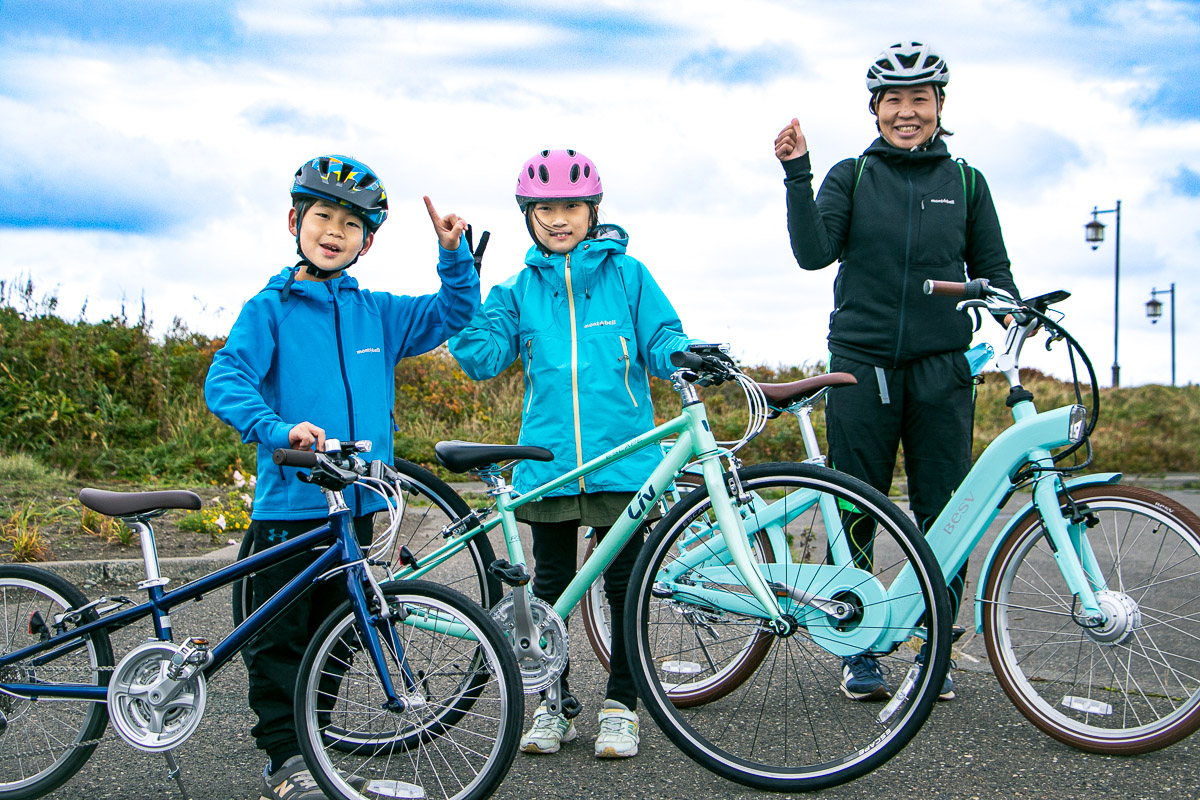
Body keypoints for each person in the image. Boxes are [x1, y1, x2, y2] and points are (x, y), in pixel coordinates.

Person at [205, 154, 480, 800]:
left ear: (368, 242)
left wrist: (454, 255)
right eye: (323, 215)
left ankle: (312, 746)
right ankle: (285, 760)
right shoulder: (269, 309)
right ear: (295, 220)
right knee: (279, 646)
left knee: (339, 637)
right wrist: (280, 430)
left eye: (351, 225)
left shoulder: (377, 314)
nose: (334, 231)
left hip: (355, 511)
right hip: (289, 513)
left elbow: (452, 313)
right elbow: (227, 380)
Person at [774, 42, 1020, 703]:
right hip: (861, 368)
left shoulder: (966, 183)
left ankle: (930, 645)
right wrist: (799, 173)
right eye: (894, 101)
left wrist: (1014, 312)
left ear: (940, 105)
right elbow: (812, 253)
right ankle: (856, 643)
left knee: (949, 513)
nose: (907, 113)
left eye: (920, 100)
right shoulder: (852, 176)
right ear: (875, 108)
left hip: (943, 370)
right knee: (855, 506)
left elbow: (995, 273)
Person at [449, 149, 694, 759]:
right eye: (544, 209)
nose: (558, 219)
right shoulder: (517, 290)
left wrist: (685, 355)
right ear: (527, 216)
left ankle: (621, 706)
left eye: (571, 207)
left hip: (624, 462)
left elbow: (663, 336)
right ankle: (552, 706)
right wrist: (461, 289)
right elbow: (480, 357)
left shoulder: (629, 275)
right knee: (548, 591)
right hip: (550, 463)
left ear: (593, 211)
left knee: (624, 588)